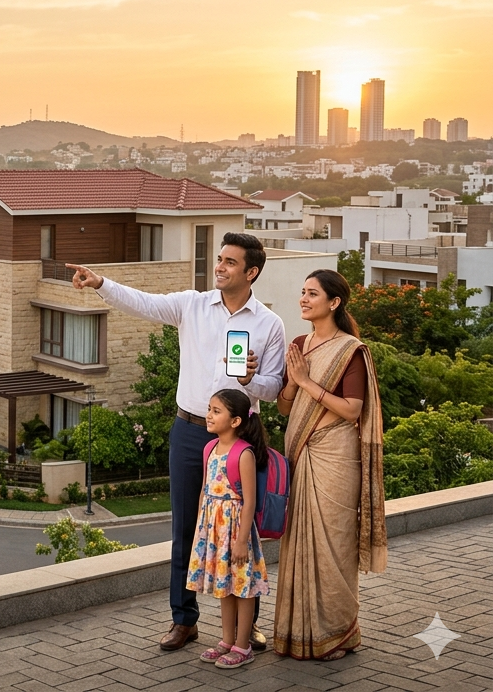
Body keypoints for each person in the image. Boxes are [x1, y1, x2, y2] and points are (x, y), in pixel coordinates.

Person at [67, 231, 285, 653]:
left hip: (243, 439)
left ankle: (246, 627)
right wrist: (100, 283)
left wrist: (248, 380)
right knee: (184, 528)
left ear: (251, 272)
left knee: (246, 529)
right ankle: (183, 621)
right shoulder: (193, 305)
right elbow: (144, 302)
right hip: (191, 432)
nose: (219, 267)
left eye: (229, 262)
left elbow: (273, 389)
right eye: (218, 259)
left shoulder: (268, 324)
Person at [273, 269, 387, 660]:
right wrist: (292, 383)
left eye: (312, 294)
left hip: (335, 457)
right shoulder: (300, 344)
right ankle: (298, 635)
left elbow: (352, 410)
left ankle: (337, 634)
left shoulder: (349, 349)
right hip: (300, 454)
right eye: (302, 292)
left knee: (333, 546)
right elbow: (285, 405)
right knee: (300, 542)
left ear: (334, 302)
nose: (303, 299)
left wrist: (306, 382)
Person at [187, 389, 270, 669]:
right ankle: (226, 640)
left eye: (216, 411)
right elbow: (204, 490)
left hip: (236, 532)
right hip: (214, 530)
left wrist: (241, 540)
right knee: (225, 586)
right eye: (209, 409)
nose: (209, 415)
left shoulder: (243, 453)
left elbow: (249, 502)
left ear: (235, 421)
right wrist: (201, 528)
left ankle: (243, 645)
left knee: (242, 588)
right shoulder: (209, 448)